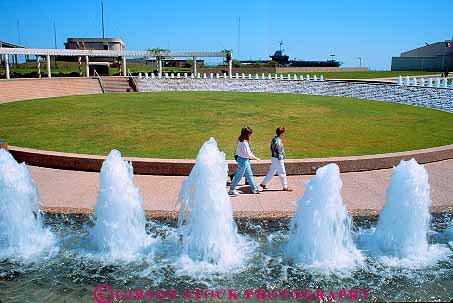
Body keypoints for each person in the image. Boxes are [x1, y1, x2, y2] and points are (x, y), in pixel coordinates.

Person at [229, 127, 261, 195]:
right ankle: (231, 190)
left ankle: (254, 189)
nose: (250, 136)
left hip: (242, 159)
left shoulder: (240, 140)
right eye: (249, 134)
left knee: (249, 175)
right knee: (239, 176)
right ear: (246, 134)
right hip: (243, 160)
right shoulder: (244, 143)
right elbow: (248, 154)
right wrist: (256, 158)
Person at [260, 127, 293, 191]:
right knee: (282, 172)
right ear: (281, 133)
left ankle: (263, 183)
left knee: (272, 171)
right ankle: (285, 187)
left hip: (274, 157)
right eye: (283, 132)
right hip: (278, 159)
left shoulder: (274, 138)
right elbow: (279, 151)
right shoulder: (278, 141)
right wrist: (281, 157)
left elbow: (271, 148)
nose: (284, 134)